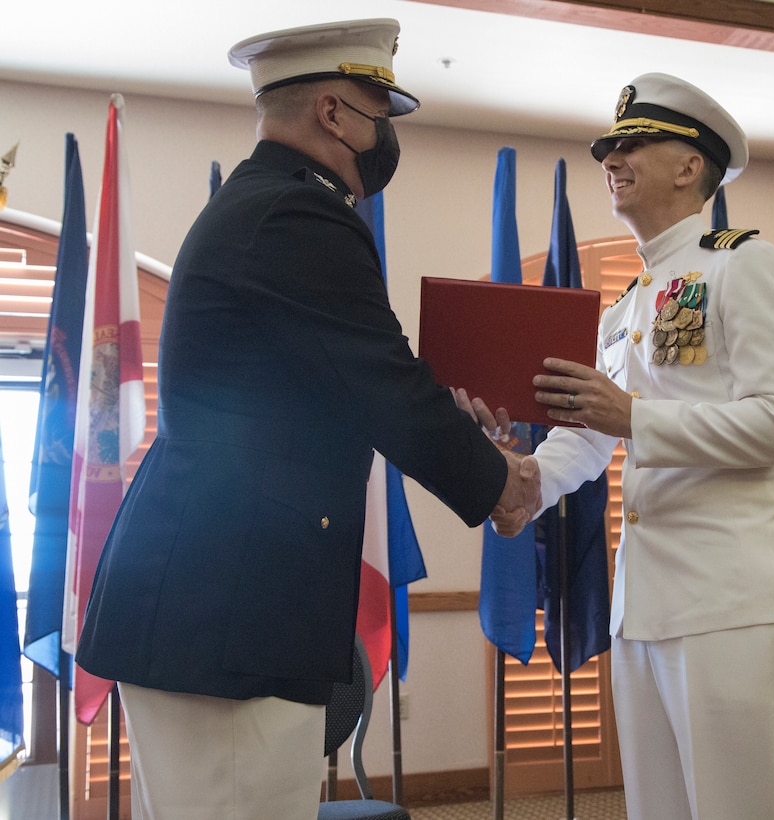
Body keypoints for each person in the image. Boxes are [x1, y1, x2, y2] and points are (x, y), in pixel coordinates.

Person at [75, 19, 539, 820]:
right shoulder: (297, 217)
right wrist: (501, 485)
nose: (386, 134)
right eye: (378, 110)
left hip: (219, 604)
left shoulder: (264, 207)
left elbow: (345, 387)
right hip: (228, 615)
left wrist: (455, 430)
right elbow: (384, 384)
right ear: (333, 112)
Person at [488, 73, 774, 819]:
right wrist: (526, 481)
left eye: (634, 144)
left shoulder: (743, 263)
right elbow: (591, 430)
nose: (613, 158)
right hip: (645, 601)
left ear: (689, 165)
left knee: (743, 808)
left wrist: (636, 417)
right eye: (609, 148)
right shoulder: (628, 305)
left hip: (732, 598)